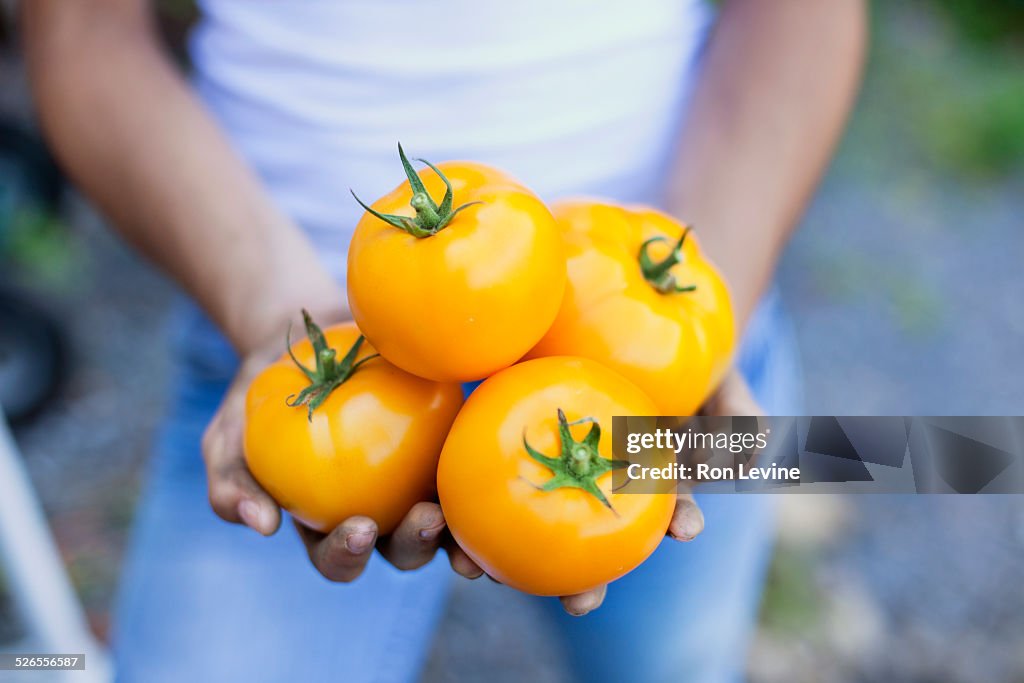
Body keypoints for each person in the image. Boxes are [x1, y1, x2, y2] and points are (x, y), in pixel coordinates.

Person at [23, 0, 865, 680]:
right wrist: (264, 301)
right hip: (285, 354)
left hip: (667, 367)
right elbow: (81, 33)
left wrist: (714, 293)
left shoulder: (682, 333)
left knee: (676, 662)